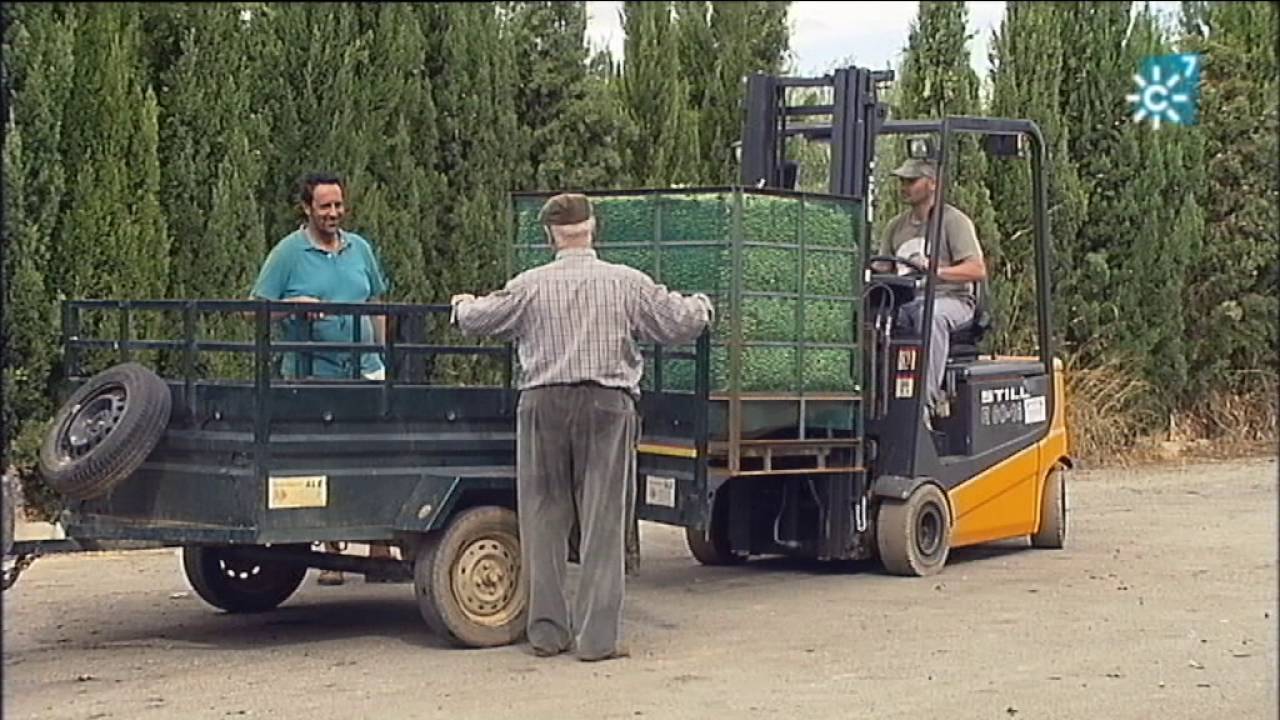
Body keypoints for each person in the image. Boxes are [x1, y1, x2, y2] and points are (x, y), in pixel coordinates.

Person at [450, 193, 713, 662]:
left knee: (542, 519)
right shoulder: (625, 283)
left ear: (550, 234)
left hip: (542, 404)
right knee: (603, 522)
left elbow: (476, 319)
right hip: (607, 406)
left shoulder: (529, 285)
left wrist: (461, 303)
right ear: (592, 227)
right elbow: (678, 322)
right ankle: (596, 640)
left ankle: (548, 633)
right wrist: (702, 304)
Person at [250, 171, 397, 585]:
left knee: (374, 456)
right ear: (307, 208)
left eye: (338, 205)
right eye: (325, 206)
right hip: (311, 375)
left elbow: (376, 302)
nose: (333, 213)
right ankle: (331, 550)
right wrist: (293, 304)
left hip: (365, 372)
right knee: (325, 461)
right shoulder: (288, 254)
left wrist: (386, 362)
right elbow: (254, 310)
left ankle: (379, 545)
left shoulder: (360, 249)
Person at [876, 157, 987, 423]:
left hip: (953, 300)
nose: (904, 187)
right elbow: (883, 267)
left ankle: (924, 406)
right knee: (876, 320)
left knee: (931, 317)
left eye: (911, 181)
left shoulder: (954, 222)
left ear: (933, 183)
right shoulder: (895, 226)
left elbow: (977, 269)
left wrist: (937, 270)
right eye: (902, 181)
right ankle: (877, 400)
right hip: (909, 300)